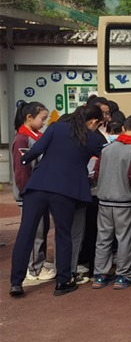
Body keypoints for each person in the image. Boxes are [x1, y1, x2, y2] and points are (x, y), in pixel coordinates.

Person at [9, 104, 105, 297]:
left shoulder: (55, 127)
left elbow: (37, 150)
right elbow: (104, 151)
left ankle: (16, 283)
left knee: (26, 234)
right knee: (63, 235)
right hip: (65, 191)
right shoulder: (93, 138)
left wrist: (26, 160)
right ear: (94, 122)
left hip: (37, 185)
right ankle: (63, 281)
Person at [92, 115, 131, 290]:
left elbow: (97, 172)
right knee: (124, 239)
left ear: (123, 128)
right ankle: (122, 275)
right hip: (125, 201)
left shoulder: (106, 149)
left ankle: (100, 274)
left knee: (103, 238)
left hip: (104, 200)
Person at [11, 101, 56, 285]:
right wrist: (26, 191)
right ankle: (33, 269)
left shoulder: (35, 135)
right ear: (29, 117)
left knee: (42, 228)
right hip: (29, 192)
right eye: (42, 119)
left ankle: (38, 263)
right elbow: (21, 169)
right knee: (34, 231)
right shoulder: (22, 138)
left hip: (38, 190)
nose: (44, 122)